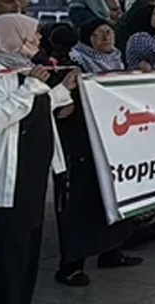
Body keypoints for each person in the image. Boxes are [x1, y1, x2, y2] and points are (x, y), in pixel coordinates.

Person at [0, 14, 78, 304]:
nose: (38, 39)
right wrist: (30, 87)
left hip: (28, 178)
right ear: (9, 36)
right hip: (1, 182)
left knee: (23, 255)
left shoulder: (21, 68)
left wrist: (63, 89)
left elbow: (37, 107)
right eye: (32, 34)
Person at [56, 19, 141, 286]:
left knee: (116, 197)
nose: (105, 37)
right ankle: (72, 265)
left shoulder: (118, 60)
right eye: (98, 34)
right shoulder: (74, 64)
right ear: (86, 38)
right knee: (83, 203)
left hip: (116, 142)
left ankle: (112, 251)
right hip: (85, 145)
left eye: (109, 32)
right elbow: (65, 107)